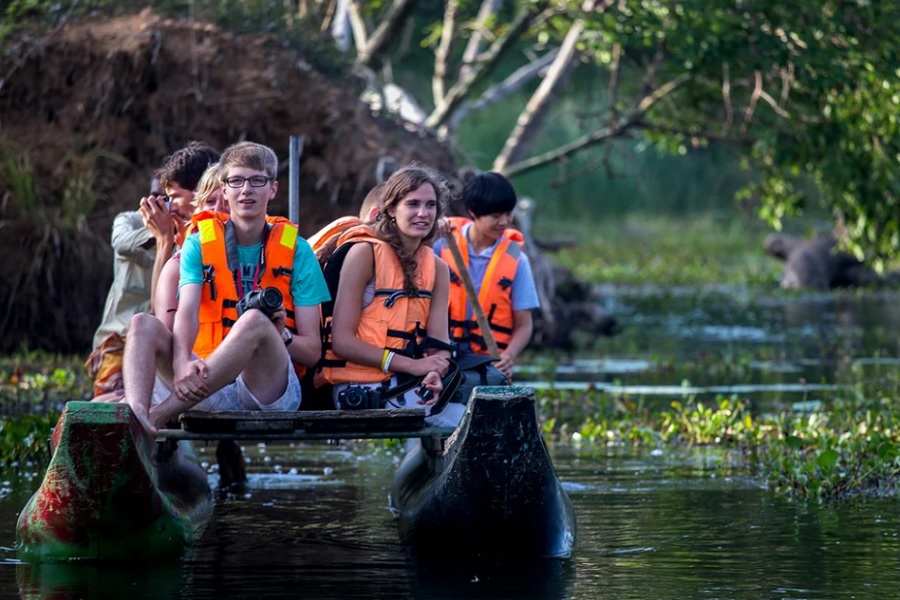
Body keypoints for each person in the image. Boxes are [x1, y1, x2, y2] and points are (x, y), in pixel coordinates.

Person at [123, 141, 329, 435]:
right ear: (225, 188)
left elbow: (311, 352)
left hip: (266, 393)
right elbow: (187, 311)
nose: (247, 189)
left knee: (255, 320)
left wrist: (280, 332)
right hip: (202, 384)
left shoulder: (297, 250)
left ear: (272, 189)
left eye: (258, 180)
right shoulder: (198, 244)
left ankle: (157, 417)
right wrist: (182, 362)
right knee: (142, 323)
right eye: (237, 181)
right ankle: (136, 418)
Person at [314, 166, 453, 418]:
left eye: (430, 205)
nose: (423, 213)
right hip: (357, 385)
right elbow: (342, 341)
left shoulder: (439, 269)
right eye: (412, 204)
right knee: (450, 418)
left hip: (410, 380)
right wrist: (413, 365)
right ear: (391, 210)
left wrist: (435, 371)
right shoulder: (363, 253)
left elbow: (439, 344)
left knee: (475, 409)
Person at [87, 142, 220, 399]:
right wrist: (163, 238)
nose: (163, 205)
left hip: (182, 339)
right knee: (114, 401)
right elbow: (123, 244)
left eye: (170, 198)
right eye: (158, 197)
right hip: (121, 337)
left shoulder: (202, 231)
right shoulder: (130, 221)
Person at [433, 172, 539, 380]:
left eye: (508, 214)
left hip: (488, 360)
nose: (505, 221)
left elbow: (524, 325)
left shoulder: (517, 260)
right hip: (444, 354)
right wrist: (431, 234)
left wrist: (509, 355)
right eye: (496, 215)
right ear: (473, 212)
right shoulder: (442, 244)